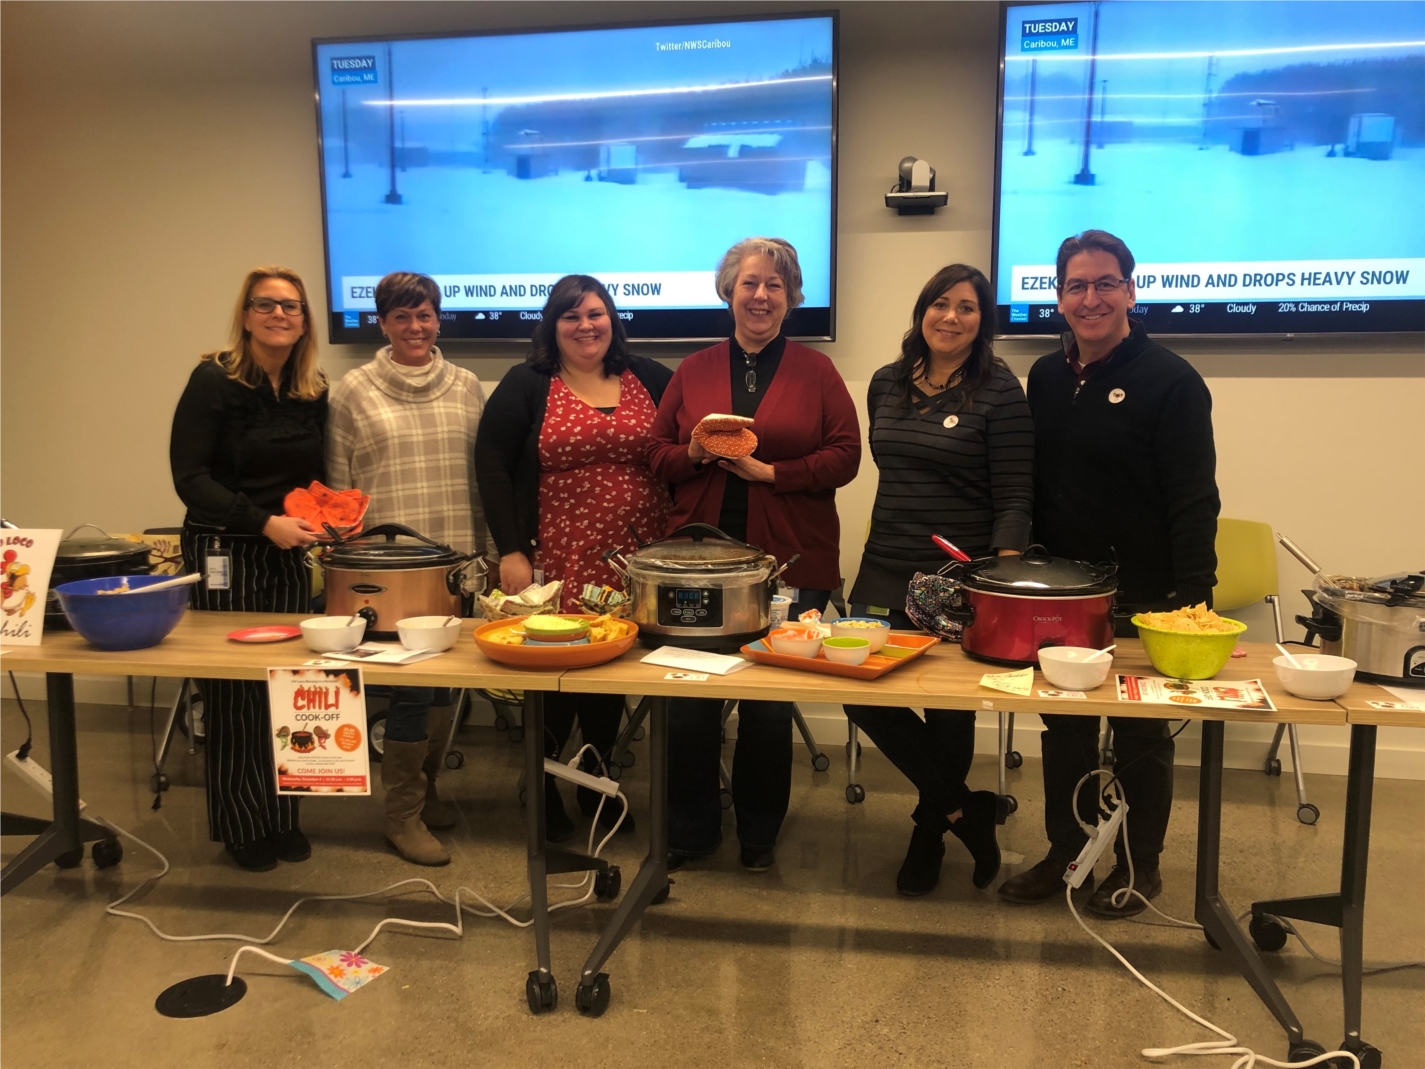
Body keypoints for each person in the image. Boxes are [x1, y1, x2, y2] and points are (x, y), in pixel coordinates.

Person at [998, 229, 1219, 917]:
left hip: (1146, 594)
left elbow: (1192, 497)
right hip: (1063, 594)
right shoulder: (1045, 375)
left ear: (1130, 288)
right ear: (1057, 296)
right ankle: (1067, 853)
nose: (1088, 297)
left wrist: (1192, 598)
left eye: (1103, 283)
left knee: (1139, 735)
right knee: (1063, 727)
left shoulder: (1172, 381)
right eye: (1074, 285)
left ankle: (1134, 866)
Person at [648, 237, 861, 872]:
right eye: (749, 283)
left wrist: (774, 474)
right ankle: (689, 829)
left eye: (774, 284)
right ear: (728, 292)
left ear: (792, 297)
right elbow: (656, 454)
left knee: (769, 707)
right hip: (699, 563)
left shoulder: (817, 372)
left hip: (790, 562)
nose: (760, 295)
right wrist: (693, 453)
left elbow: (846, 456)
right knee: (689, 705)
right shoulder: (693, 369)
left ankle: (760, 835)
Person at [843, 264, 1033, 895]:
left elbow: (1013, 494)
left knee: (948, 708)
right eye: (940, 304)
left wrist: (999, 586)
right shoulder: (886, 382)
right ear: (921, 310)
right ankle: (963, 809)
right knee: (858, 687)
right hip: (884, 561)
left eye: (968, 308)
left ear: (984, 321)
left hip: (959, 574)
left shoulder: (1000, 390)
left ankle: (928, 833)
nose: (951, 317)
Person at [476, 275, 673, 842]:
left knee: (610, 671)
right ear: (552, 326)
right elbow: (492, 462)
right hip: (559, 553)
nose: (586, 326)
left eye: (596, 314)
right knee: (558, 671)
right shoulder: (528, 382)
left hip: (638, 556)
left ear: (612, 319)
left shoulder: (650, 376)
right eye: (572, 316)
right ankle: (539, 786)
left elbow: (686, 446)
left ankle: (595, 781)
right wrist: (510, 549)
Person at [326, 271, 488, 866]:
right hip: (385, 571)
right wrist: (339, 565)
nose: (415, 327)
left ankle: (429, 788)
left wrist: (488, 554)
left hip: (453, 560)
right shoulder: (352, 390)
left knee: (446, 686)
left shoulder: (468, 385)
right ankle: (402, 815)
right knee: (410, 694)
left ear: (439, 318)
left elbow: (483, 474)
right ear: (382, 322)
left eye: (424, 315)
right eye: (401, 317)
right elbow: (337, 487)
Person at [170, 266, 327, 872]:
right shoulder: (213, 380)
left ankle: (282, 816)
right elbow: (190, 480)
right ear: (246, 314)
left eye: (291, 306)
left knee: (288, 694)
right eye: (266, 305)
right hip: (225, 553)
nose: (279, 315)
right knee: (236, 697)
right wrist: (262, 523)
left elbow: (309, 479)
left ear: (304, 319)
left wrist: (325, 516)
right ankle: (242, 824)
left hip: (287, 556)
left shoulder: (311, 389)